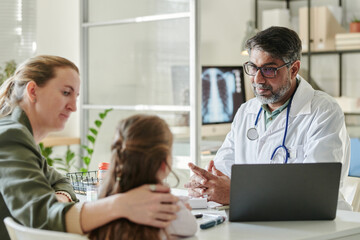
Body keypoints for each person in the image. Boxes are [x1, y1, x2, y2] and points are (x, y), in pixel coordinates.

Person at [0, 55, 180, 240]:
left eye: (76, 96)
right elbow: (42, 218)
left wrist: (59, 199)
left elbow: (61, 182)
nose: (73, 107)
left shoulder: (19, 135)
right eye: (66, 93)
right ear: (33, 91)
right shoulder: (11, 136)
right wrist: (122, 205)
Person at [184, 26, 352, 210]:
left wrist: (237, 192)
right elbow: (223, 167)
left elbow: (317, 188)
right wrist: (206, 183)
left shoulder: (323, 111)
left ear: (294, 69)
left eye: (269, 70)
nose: (257, 79)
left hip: (313, 223)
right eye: (253, 67)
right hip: (255, 216)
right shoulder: (246, 111)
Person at [89, 114, 197, 240]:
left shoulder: (103, 199)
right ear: (163, 163)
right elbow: (191, 227)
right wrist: (182, 210)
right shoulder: (168, 207)